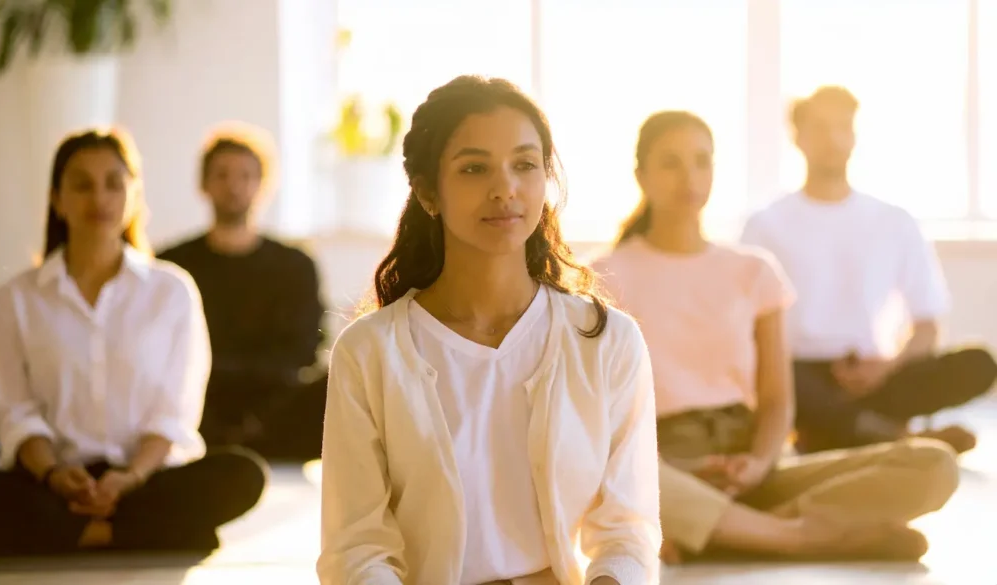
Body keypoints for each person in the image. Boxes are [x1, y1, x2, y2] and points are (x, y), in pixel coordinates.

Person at [316, 76, 661, 585]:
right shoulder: (369, 351)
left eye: (524, 165)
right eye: (474, 168)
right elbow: (356, 549)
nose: (505, 189)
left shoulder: (607, 341)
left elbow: (626, 535)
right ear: (429, 191)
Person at [591, 111, 960, 564]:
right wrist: (682, 469)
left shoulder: (754, 270)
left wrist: (760, 463)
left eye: (701, 161)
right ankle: (797, 538)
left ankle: (729, 532)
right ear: (640, 176)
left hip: (752, 464)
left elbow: (777, 401)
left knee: (934, 465)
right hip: (664, 463)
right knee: (620, 470)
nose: (689, 176)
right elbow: (602, 413)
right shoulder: (602, 277)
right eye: (670, 163)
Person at [0, 129, 267, 556]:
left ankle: (67, 536)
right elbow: (15, 411)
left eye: (114, 183)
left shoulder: (172, 291)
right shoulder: (17, 298)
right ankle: (129, 534)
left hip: (142, 481)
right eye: (82, 184)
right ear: (57, 199)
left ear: (133, 195)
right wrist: (55, 474)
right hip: (50, 482)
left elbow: (173, 413)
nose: (100, 198)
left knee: (243, 474)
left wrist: (129, 477)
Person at [740, 86, 997, 454]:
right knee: (786, 380)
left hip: (877, 373)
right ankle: (899, 440)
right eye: (821, 128)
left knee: (980, 364)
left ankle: (848, 429)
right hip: (797, 370)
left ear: (855, 136)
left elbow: (927, 325)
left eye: (844, 127)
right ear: (798, 138)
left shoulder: (894, 221)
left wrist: (887, 367)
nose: (834, 139)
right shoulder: (766, 224)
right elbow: (743, 327)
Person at [158, 125, 327, 462]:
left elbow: (304, 349)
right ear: (204, 184)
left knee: (340, 382)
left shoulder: (296, 265)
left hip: (276, 408)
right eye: (222, 174)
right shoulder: (171, 267)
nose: (233, 186)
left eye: (245, 175)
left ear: (263, 185)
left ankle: (245, 444)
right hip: (200, 405)